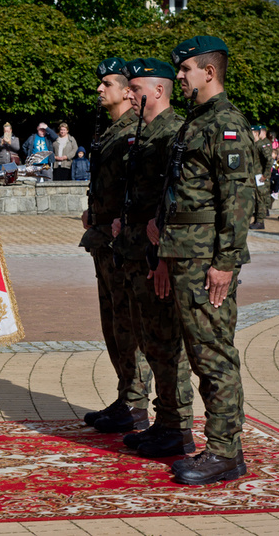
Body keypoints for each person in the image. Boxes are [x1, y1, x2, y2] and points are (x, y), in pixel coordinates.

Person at [147, 35, 255, 485]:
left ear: (208, 72)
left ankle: (225, 452)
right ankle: (210, 444)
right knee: (196, 352)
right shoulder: (197, 122)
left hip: (205, 257)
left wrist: (225, 262)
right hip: (182, 252)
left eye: (186, 69)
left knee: (213, 356)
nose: (180, 77)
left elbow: (238, 199)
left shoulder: (225, 123)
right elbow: (179, 190)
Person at [111, 58, 194, 459]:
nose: (128, 94)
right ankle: (164, 423)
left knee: (166, 344)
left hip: (156, 257)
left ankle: (178, 428)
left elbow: (173, 200)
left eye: (135, 88)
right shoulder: (146, 132)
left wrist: (161, 257)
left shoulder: (172, 132)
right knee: (150, 342)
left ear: (157, 91)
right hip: (135, 252)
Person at [79, 56, 152, 434]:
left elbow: (139, 187)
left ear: (126, 91)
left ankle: (137, 402)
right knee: (113, 323)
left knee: (128, 324)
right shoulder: (111, 131)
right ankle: (127, 397)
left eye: (107, 83)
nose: (99, 89)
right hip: (104, 240)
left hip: (123, 243)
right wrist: (93, 211)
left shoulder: (135, 130)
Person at [250, 125, 272, 230]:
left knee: (260, 199)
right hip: (255, 176)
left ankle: (260, 222)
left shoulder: (261, 145)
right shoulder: (253, 145)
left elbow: (270, 160)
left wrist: (265, 175)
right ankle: (257, 220)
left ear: (256, 133)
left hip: (260, 177)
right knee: (256, 199)